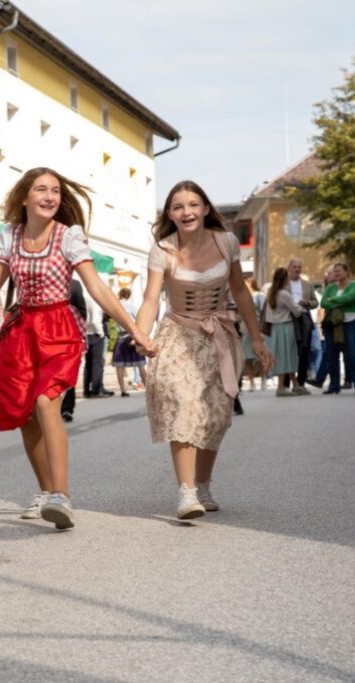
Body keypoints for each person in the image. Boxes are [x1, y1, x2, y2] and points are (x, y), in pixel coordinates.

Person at [0, 167, 154, 530]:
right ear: (25, 197)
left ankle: (62, 494)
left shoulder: (68, 237)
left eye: (55, 190)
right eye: (41, 189)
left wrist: (135, 329)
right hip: (21, 331)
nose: (50, 196)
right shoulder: (11, 236)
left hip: (58, 329)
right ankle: (45, 491)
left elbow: (98, 289)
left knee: (45, 401)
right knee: (24, 413)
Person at [136, 181, 273, 519]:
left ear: (206, 208)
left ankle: (204, 483)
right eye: (178, 207)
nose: (187, 212)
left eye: (193, 205)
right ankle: (186, 492)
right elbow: (151, 298)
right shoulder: (163, 250)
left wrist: (256, 338)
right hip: (178, 334)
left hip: (220, 336)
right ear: (170, 214)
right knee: (182, 405)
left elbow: (240, 291)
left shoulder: (226, 242)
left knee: (214, 414)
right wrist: (141, 334)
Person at [319, 263, 355, 395]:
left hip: (351, 322)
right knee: (332, 355)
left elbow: (351, 297)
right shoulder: (331, 287)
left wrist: (332, 300)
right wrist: (339, 301)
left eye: (339, 271)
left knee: (352, 354)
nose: (336, 274)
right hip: (332, 323)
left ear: (346, 271)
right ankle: (334, 386)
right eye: (334, 272)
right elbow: (323, 302)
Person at [263, 267, 306, 396]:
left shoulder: (271, 292)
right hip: (286, 327)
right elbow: (296, 311)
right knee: (287, 355)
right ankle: (280, 387)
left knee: (284, 355)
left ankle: (295, 384)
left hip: (275, 328)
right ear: (285, 279)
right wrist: (302, 306)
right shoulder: (284, 294)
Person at [286, 258, 318, 390]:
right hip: (288, 318)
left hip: (304, 318)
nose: (297, 269)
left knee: (304, 350)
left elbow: (316, 302)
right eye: (294, 267)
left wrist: (307, 303)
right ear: (289, 268)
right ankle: (286, 383)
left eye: (299, 267)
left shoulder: (307, 284)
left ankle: (301, 382)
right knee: (289, 350)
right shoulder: (283, 284)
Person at [60, 279, 87, 423]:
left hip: (67, 336)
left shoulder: (73, 284)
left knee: (67, 374)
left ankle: (66, 409)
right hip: (42, 334)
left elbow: (82, 311)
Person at [112, 287, 147, 396]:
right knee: (140, 365)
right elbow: (139, 319)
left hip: (121, 338)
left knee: (119, 366)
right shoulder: (131, 306)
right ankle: (148, 389)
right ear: (129, 296)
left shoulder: (115, 307)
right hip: (132, 336)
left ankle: (123, 390)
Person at [82, 292, 112, 397]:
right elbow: (95, 320)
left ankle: (86, 390)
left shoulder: (85, 298)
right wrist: (101, 333)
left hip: (86, 333)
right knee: (97, 363)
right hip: (96, 333)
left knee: (88, 363)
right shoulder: (94, 300)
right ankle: (96, 389)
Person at [241, 277, 265, 392]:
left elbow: (264, 312)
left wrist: (263, 329)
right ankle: (251, 382)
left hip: (257, 326)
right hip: (244, 327)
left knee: (260, 356)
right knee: (247, 357)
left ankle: (263, 379)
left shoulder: (259, 296)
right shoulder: (239, 297)